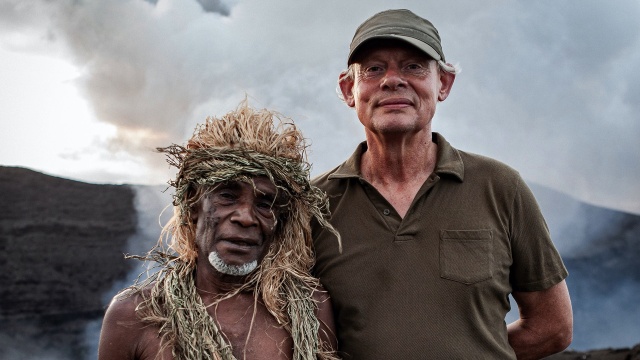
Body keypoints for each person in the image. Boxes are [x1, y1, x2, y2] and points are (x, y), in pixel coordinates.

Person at [312, 9, 573, 360]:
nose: (392, 80)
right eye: (374, 69)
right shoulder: (314, 205)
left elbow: (552, 327)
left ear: (444, 84)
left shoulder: (500, 187)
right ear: (349, 89)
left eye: (413, 66)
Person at [98, 101, 341, 360]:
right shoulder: (135, 315)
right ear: (193, 203)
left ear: (279, 219)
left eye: (264, 203)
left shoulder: (309, 309)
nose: (246, 217)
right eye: (227, 196)